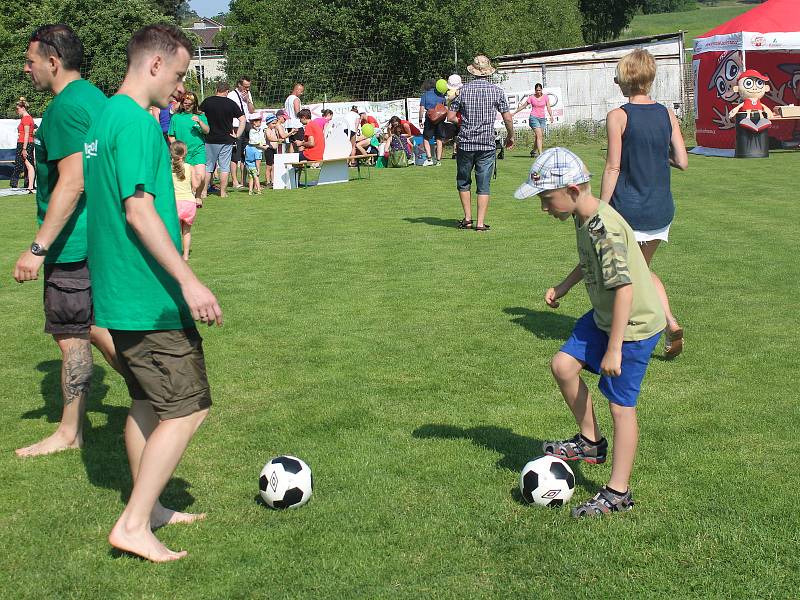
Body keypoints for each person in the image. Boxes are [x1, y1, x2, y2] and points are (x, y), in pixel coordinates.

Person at [84, 23, 222, 562]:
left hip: (117, 295)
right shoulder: (137, 125)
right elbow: (138, 212)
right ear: (156, 64)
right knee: (188, 408)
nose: (180, 86)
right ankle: (135, 523)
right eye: (182, 73)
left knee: (146, 401)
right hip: (148, 296)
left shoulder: (104, 119)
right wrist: (188, 280)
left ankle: (153, 506)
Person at [514, 147, 666, 518]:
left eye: (548, 199)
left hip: (631, 326)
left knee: (621, 406)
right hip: (603, 317)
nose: (544, 208)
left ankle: (618, 492)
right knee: (564, 365)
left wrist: (614, 349)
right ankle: (590, 443)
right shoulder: (585, 219)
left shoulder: (606, 228)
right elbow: (588, 263)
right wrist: (564, 286)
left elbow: (624, 290)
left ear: (574, 189)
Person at [13, 23, 121, 458]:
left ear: (54, 62)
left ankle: (161, 396)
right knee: (88, 329)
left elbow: (73, 181)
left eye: (31, 61)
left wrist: (37, 248)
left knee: (76, 333)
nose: (27, 69)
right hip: (103, 239)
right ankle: (74, 426)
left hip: (74, 245)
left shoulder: (62, 110)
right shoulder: (96, 98)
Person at [600, 49, 688, 358]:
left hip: (630, 211)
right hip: (661, 210)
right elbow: (682, 160)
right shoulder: (667, 113)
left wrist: (600, 208)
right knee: (642, 270)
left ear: (624, 79)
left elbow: (612, 167)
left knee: (626, 277)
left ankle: (653, 326)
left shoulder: (618, 116)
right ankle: (666, 324)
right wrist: (655, 155)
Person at [449, 55, 514, 232]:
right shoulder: (497, 91)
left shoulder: (462, 91)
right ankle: (480, 223)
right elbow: (507, 118)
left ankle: (468, 219)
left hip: (466, 143)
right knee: (483, 184)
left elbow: (450, 117)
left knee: (463, 182)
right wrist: (511, 136)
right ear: (488, 72)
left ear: (472, 71)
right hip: (486, 144)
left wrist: (465, 124)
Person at [199, 81, 245, 198]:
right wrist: (238, 134)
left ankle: (204, 192)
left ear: (216, 90)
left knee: (208, 167)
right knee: (224, 167)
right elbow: (242, 119)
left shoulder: (208, 101)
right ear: (227, 91)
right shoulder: (231, 103)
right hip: (226, 139)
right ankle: (223, 192)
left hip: (210, 139)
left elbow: (198, 113)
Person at [167, 91, 209, 201]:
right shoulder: (176, 118)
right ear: (182, 103)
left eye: (190, 103)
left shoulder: (200, 116)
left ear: (195, 104)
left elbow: (207, 131)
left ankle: (198, 195)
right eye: (185, 103)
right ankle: (189, 195)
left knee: (201, 176)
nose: (187, 105)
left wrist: (199, 122)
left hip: (198, 150)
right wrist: (177, 149)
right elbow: (171, 135)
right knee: (185, 177)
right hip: (183, 153)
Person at [169, 141, 200, 260]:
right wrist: (198, 177)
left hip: (175, 203)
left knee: (175, 231)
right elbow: (196, 185)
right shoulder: (190, 167)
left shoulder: (169, 168)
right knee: (186, 231)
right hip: (189, 203)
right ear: (185, 153)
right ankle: (186, 255)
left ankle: (175, 254)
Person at [228, 77, 255, 189]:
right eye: (245, 86)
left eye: (248, 86)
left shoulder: (248, 94)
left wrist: (248, 100)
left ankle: (244, 181)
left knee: (246, 152)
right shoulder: (231, 95)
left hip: (247, 123)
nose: (247, 88)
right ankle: (234, 181)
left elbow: (252, 110)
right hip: (236, 125)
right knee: (235, 154)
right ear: (239, 84)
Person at [512, 83, 553, 157]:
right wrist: (514, 113)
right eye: (537, 90)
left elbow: (548, 107)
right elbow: (523, 106)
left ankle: (533, 151)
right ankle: (540, 154)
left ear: (542, 90)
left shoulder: (545, 97)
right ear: (535, 90)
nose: (538, 92)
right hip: (533, 118)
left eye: (539, 90)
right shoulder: (531, 97)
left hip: (542, 119)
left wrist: (551, 115)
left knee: (539, 136)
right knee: (539, 135)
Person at [418, 78, 446, 166]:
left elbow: (422, 109)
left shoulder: (425, 95)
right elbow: (445, 106)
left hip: (430, 118)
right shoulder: (441, 95)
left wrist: (420, 119)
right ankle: (438, 161)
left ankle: (429, 159)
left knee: (426, 138)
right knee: (439, 138)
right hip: (440, 118)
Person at [11, 97, 36, 192]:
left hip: (25, 143)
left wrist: (24, 148)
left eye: (17, 109)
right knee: (28, 164)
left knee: (29, 165)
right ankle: (30, 185)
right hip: (27, 142)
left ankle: (30, 186)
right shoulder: (28, 118)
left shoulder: (26, 119)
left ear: (23, 108)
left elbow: (26, 134)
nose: (17, 111)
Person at [284, 83, 305, 150]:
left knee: (292, 144)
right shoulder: (296, 99)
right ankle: (302, 159)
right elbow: (297, 113)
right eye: (301, 91)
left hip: (289, 124)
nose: (301, 93)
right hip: (296, 125)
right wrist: (304, 115)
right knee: (301, 144)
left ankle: (291, 160)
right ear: (297, 89)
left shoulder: (288, 99)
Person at [263, 113, 279, 186]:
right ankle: (268, 181)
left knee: (273, 166)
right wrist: (277, 140)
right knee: (268, 166)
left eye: (275, 123)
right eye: (273, 123)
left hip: (274, 149)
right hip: (269, 150)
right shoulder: (267, 130)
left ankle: (273, 180)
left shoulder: (274, 130)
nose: (274, 125)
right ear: (268, 123)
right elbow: (269, 138)